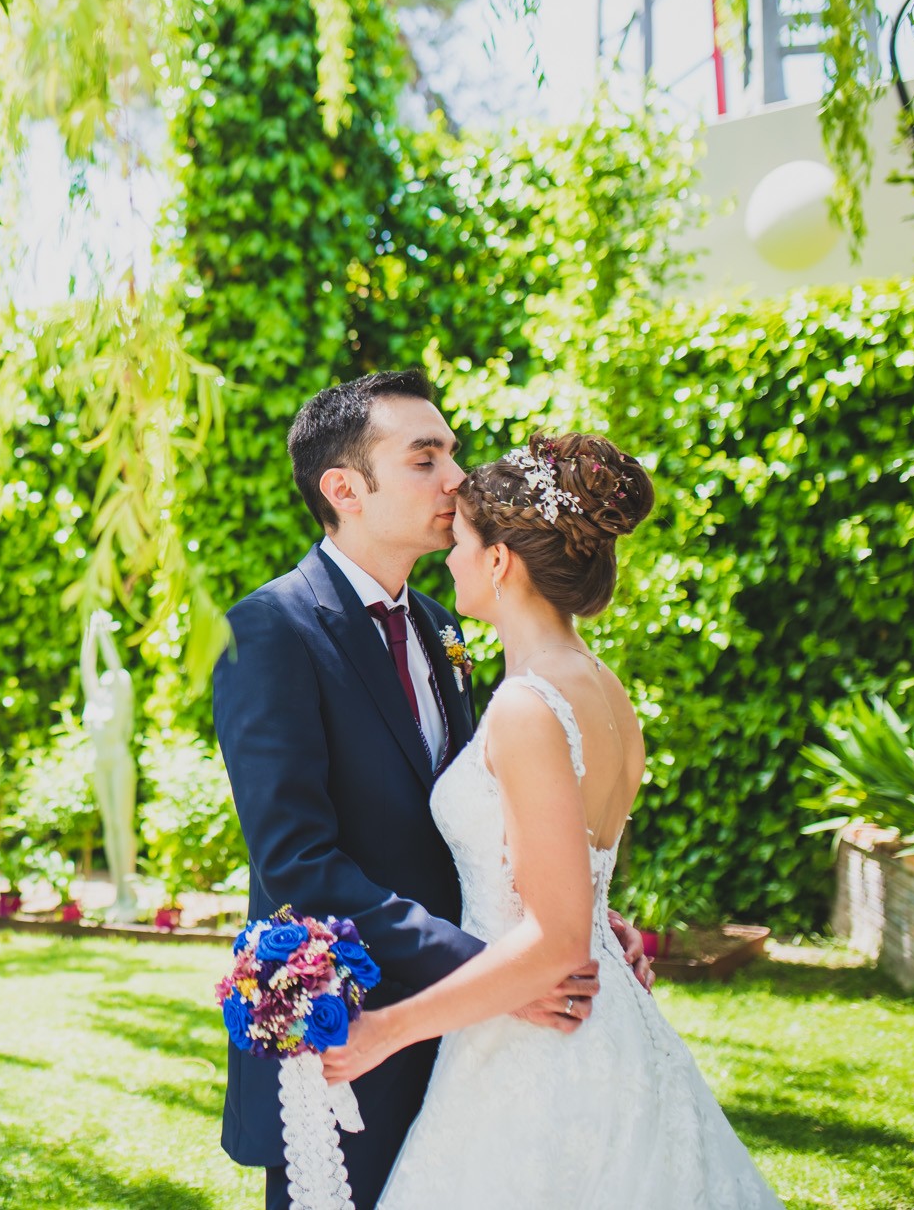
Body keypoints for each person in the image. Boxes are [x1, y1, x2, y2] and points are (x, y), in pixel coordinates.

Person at [212, 371, 653, 1210]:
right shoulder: (267, 632)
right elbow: (299, 863)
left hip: (474, 1040)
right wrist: (500, 968)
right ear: (344, 488)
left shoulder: (447, 625)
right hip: (352, 1038)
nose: (456, 476)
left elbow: (473, 816)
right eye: (426, 457)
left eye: (451, 451)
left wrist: (565, 913)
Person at [319, 431, 782, 1208]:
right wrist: (606, 920)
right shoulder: (604, 691)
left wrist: (387, 1029)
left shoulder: (529, 707)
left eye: (462, 540)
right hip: (595, 1021)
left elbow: (555, 937)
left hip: (537, 1046)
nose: (452, 554)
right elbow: (574, 883)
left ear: (500, 561)